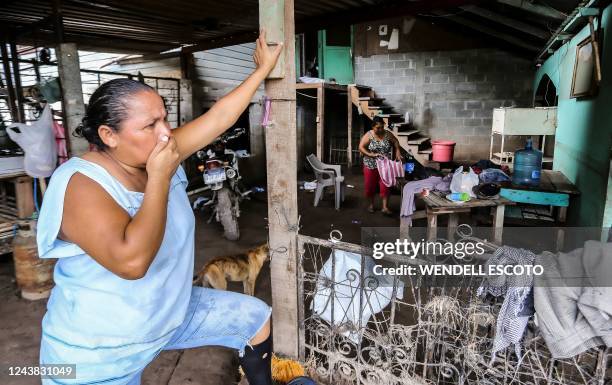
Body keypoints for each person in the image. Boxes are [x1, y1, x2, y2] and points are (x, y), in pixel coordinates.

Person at [36, 31, 282, 385]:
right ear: (108, 135)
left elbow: (218, 119)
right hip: (97, 356)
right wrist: (160, 179)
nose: (166, 132)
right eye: (150, 125)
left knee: (253, 316)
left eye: (164, 118)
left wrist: (261, 71)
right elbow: (132, 262)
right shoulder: (80, 184)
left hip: (164, 315)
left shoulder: (157, 151)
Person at [358, 116, 403, 215]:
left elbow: (396, 142)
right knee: (370, 186)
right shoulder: (369, 135)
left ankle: (385, 207)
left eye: (382, 127)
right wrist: (371, 154)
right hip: (371, 164)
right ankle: (371, 205)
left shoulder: (387, 134)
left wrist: (398, 151)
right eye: (378, 128)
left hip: (385, 165)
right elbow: (361, 147)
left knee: (386, 185)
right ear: (373, 127)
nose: (380, 129)